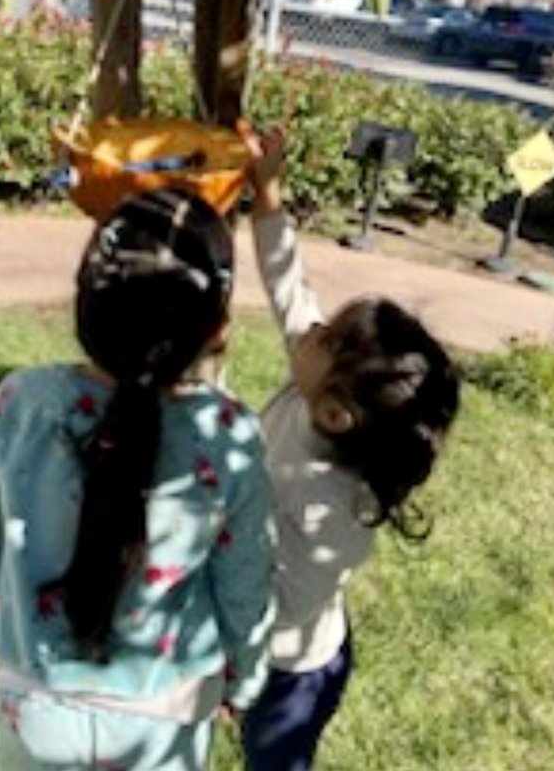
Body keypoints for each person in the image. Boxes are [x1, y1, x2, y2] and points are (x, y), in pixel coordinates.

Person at [0, 188, 275, 771]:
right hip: (166, 727)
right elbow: (247, 581)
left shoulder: (21, 404)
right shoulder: (230, 434)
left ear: (82, 303)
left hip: (35, 717)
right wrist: (245, 680)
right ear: (217, 326)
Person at [239, 127, 461, 771]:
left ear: (336, 413)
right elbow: (290, 291)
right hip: (288, 650)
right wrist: (267, 188)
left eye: (329, 335)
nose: (312, 327)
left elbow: (276, 601)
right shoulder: (329, 399)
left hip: (291, 674)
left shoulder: (320, 501)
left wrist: (233, 662)